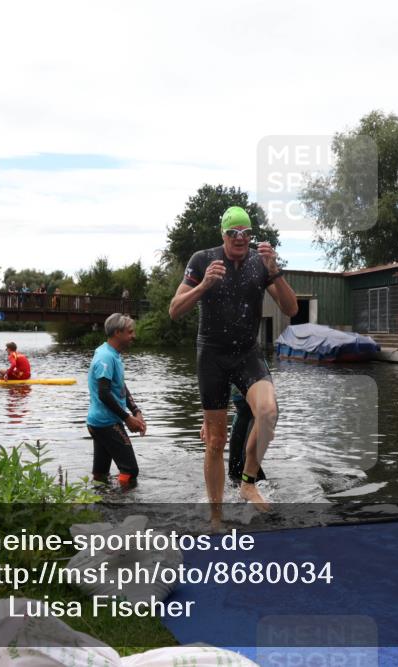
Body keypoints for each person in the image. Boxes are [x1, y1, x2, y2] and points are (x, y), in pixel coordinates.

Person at [169, 205, 297, 518]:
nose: (240, 239)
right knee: (215, 441)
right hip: (212, 354)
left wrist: (275, 270)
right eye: (233, 233)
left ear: (251, 235)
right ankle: (216, 518)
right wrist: (203, 286)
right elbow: (174, 310)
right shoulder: (202, 260)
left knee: (268, 412)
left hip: (246, 352)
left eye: (246, 233)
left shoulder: (260, 262)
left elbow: (291, 309)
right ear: (223, 234)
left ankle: (247, 481)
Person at [86, 313, 146, 486]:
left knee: (101, 472)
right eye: (130, 332)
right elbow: (103, 393)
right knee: (130, 470)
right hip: (106, 423)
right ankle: (122, 508)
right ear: (117, 333)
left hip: (98, 422)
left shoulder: (113, 354)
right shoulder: (105, 357)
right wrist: (127, 418)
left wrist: (136, 411)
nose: (133, 336)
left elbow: (120, 386)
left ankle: (101, 504)